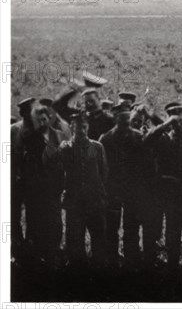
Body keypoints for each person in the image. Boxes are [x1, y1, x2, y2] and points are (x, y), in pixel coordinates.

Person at [144, 102, 182, 269]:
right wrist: (165, 125)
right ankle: (172, 269)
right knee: (172, 236)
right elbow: (147, 141)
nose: (179, 124)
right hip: (170, 197)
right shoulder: (163, 140)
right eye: (174, 120)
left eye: (181, 119)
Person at [99, 103, 149, 267]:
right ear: (115, 118)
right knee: (111, 229)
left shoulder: (138, 137)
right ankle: (112, 263)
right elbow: (102, 167)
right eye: (121, 116)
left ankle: (131, 263)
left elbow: (144, 165)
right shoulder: (105, 139)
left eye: (127, 115)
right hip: (113, 190)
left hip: (133, 191)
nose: (125, 119)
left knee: (131, 228)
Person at [57, 111, 108, 267]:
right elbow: (60, 174)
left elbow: (104, 172)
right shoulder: (65, 148)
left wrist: (97, 191)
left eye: (85, 127)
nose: (82, 130)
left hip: (94, 201)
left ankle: (99, 270)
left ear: (88, 127)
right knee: (75, 238)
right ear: (72, 127)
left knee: (99, 237)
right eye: (78, 127)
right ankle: (78, 273)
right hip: (75, 202)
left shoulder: (97, 147)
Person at [18, 106, 66, 265]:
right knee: (36, 222)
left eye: (44, 119)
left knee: (55, 223)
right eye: (39, 120)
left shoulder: (58, 136)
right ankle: (37, 256)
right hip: (36, 189)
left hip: (54, 188)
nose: (42, 122)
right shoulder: (30, 137)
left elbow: (62, 163)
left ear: (49, 118)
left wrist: (60, 185)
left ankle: (53, 253)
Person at [11, 97, 36, 258]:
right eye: (24, 111)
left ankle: (31, 245)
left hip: (35, 181)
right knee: (13, 214)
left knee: (34, 214)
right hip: (15, 180)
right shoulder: (12, 130)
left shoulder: (42, 129)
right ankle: (17, 246)